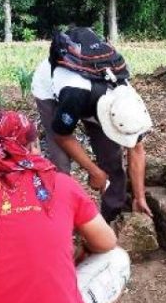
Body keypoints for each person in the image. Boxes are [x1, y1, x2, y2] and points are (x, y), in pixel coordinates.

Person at [0, 111, 130, 303]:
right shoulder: (62, 185)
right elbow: (106, 242)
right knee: (117, 259)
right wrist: (79, 249)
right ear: (34, 146)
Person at [31, 40, 153, 223]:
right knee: (61, 165)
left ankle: (111, 217)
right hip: (51, 91)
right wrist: (94, 171)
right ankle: (61, 221)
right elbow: (62, 136)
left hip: (95, 98)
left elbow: (136, 149)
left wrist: (139, 197)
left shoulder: (128, 103)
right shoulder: (74, 93)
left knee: (111, 159)